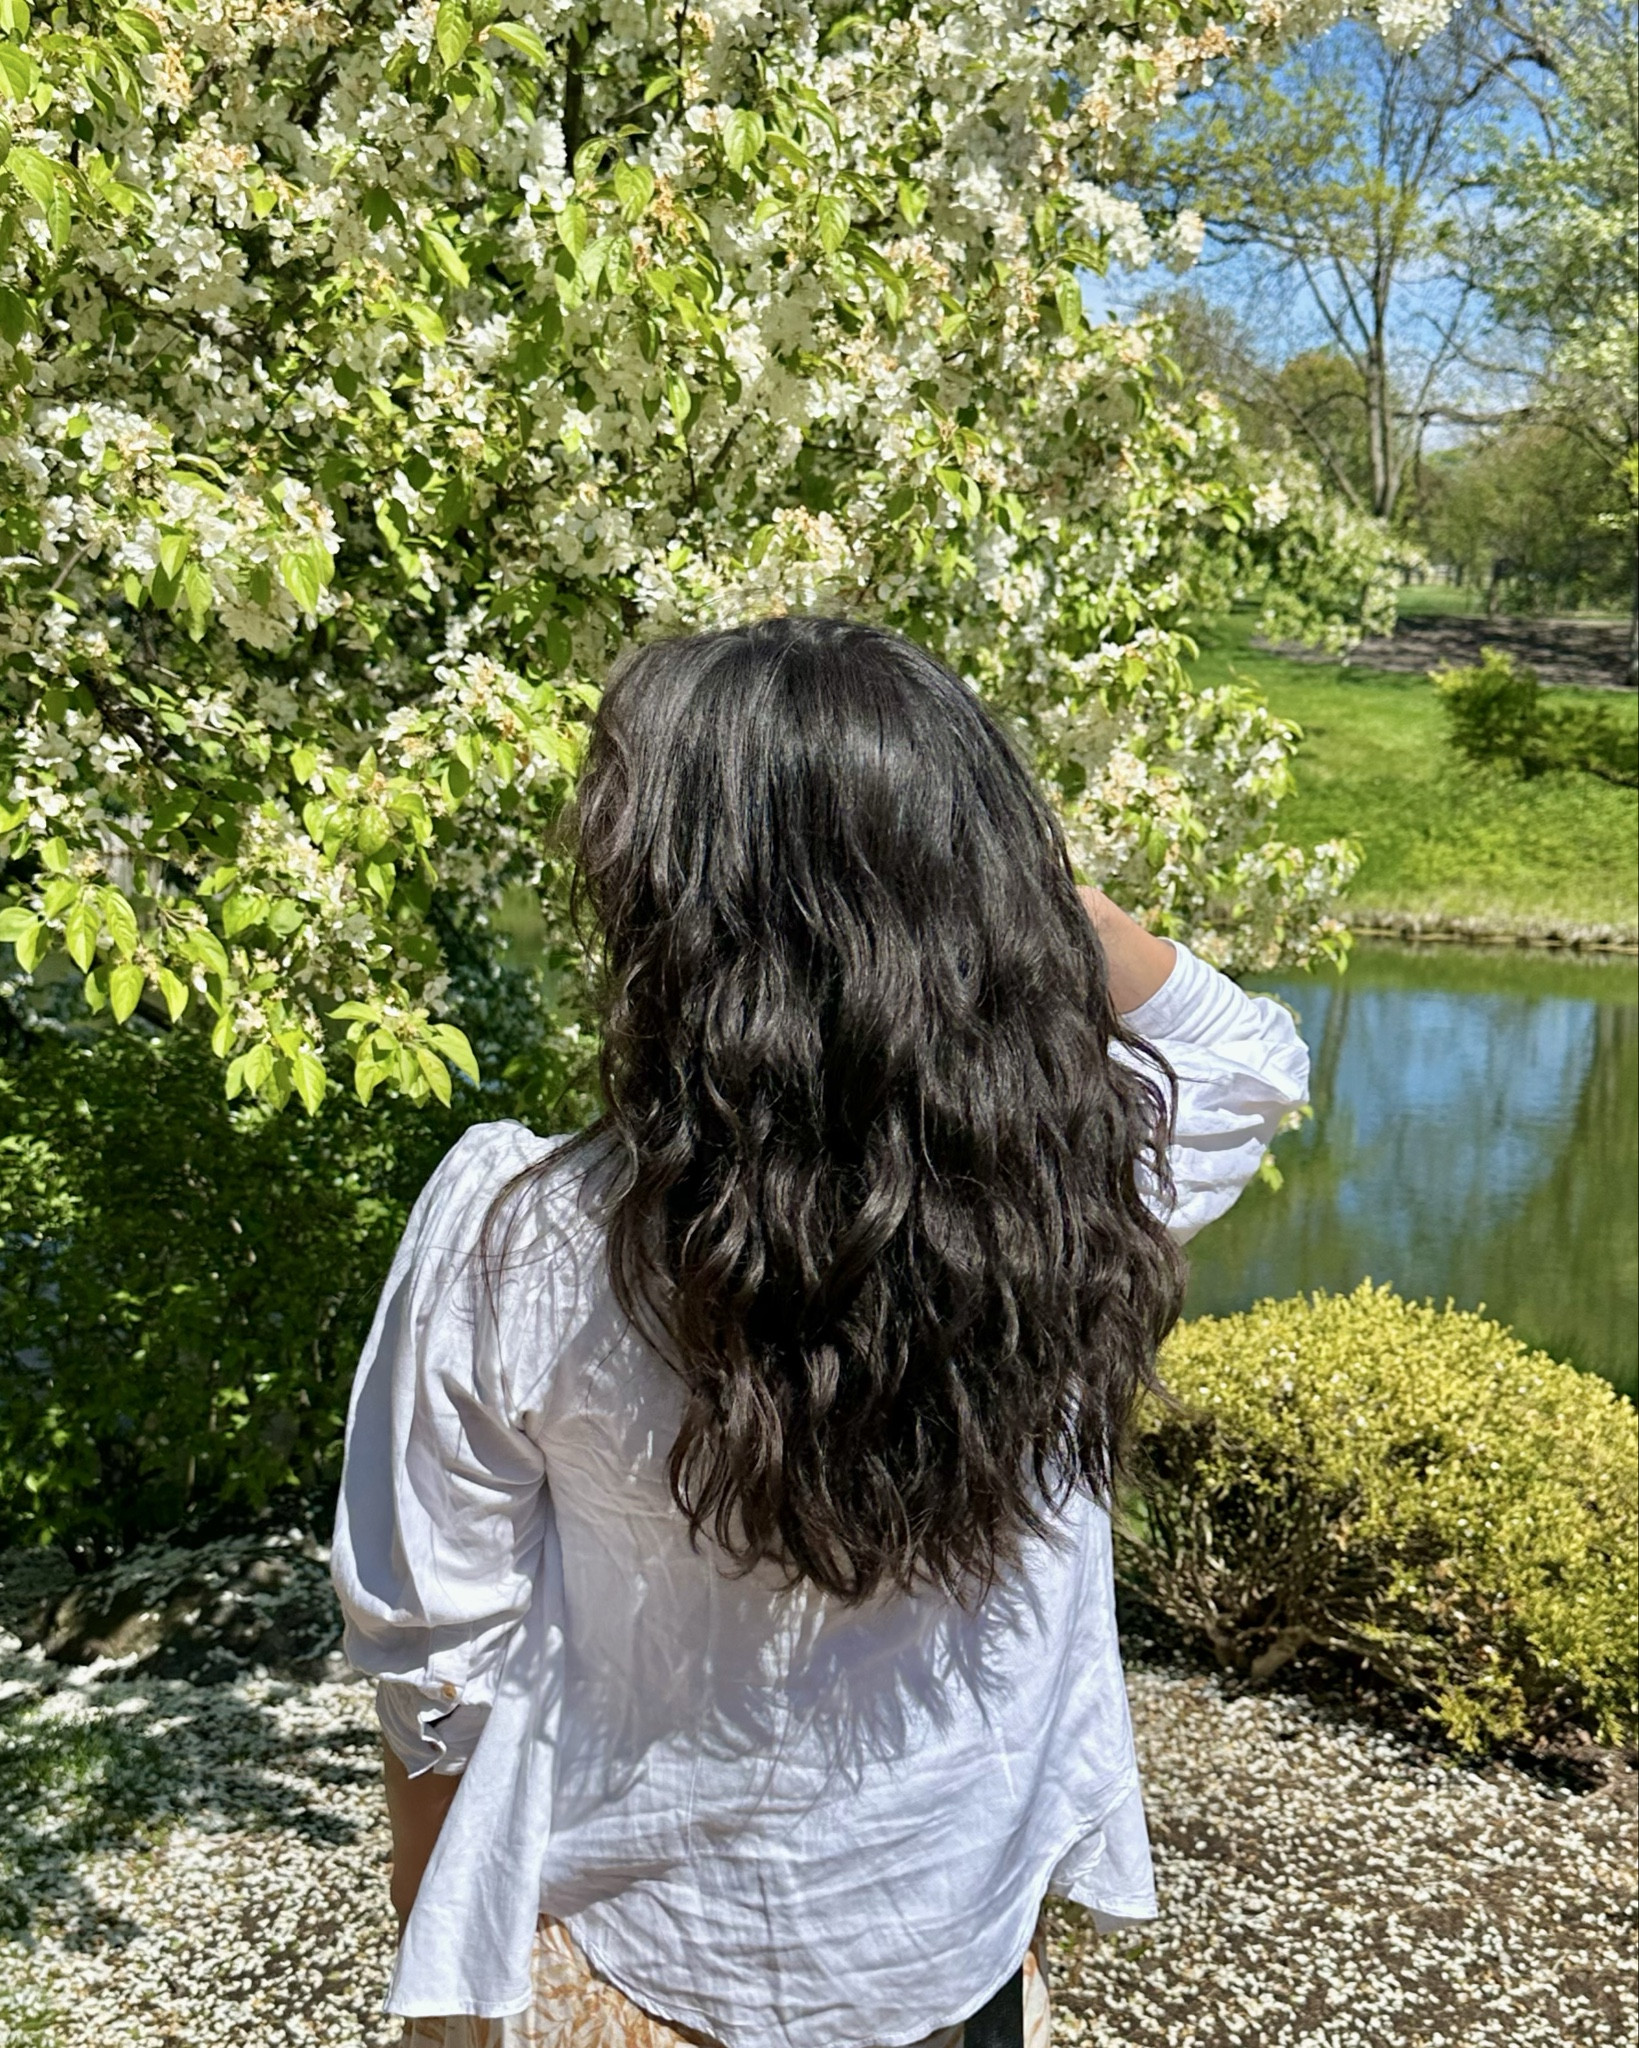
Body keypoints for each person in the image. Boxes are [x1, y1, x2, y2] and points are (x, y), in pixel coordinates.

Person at [331, 615, 1310, 2048]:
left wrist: (442, 1988)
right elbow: (1245, 1057)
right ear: (982, 890)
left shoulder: (517, 1239)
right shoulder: (1081, 1194)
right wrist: (1019, 895)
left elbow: (436, 1662)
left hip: (639, 1967)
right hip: (949, 1941)